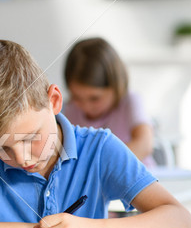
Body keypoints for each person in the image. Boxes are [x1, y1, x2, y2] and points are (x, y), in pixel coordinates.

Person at [0, 39, 191, 228]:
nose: (21, 159)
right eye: (1, 146)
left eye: (30, 138)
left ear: (54, 101)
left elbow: (180, 222)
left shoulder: (100, 149)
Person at [63, 37, 155, 166]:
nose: (86, 106)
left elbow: (144, 145)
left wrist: (101, 165)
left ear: (116, 86)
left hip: (136, 179)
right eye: (77, 97)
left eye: (94, 98)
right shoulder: (69, 109)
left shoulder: (130, 101)